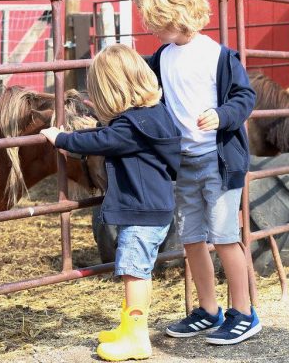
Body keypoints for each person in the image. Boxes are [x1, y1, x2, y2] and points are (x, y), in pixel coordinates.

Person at [134, 0, 261, 345]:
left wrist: (223, 115)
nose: (152, 29)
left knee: (224, 237)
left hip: (218, 161)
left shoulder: (218, 56)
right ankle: (208, 310)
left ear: (178, 12)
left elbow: (244, 97)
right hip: (185, 160)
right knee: (191, 239)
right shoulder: (161, 57)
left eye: (157, 21)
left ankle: (244, 312)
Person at [40, 43, 181, 361]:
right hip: (153, 207)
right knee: (138, 270)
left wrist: (61, 138)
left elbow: (100, 140)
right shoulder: (153, 116)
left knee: (134, 272)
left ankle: (137, 338)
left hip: (142, 211)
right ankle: (128, 327)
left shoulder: (130, 127)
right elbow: (109, 134)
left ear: (112, 91)